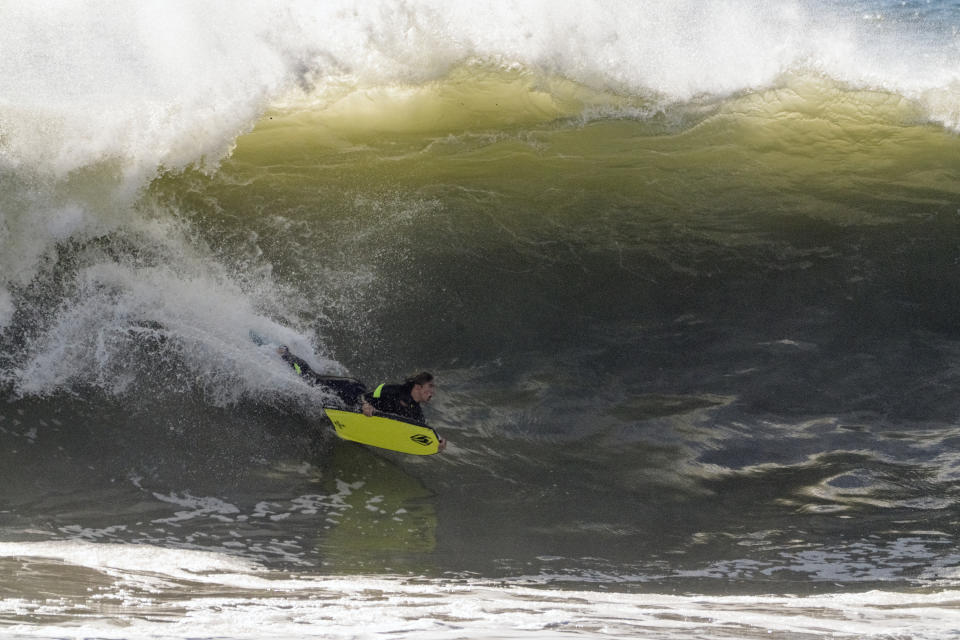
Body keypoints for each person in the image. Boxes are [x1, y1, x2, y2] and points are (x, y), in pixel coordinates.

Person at [277, 345, 366, 408]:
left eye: (280, 351)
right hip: (352, 385)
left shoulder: (296, 365)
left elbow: (297, 365)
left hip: (352, 385)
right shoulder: (301, 370)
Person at [361, 371, 436, 423]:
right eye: (430, 386)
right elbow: (363, 397)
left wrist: (438, 440)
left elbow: (423, 431)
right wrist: (366, 405)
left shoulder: (417, 413)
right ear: (418, 387)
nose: (433, 391)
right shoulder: (392, 391)